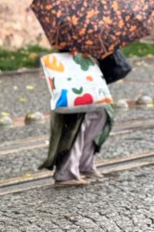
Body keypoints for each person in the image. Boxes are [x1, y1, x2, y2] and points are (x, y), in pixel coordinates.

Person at [39, 50, 129, 186]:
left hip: (92, 84)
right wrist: (75, 50)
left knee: (100, 120)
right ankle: (66, 173)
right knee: (75, 129)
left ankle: (84, 165)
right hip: (74, 83)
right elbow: (62, 46)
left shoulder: (93, 40)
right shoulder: (73, 35)